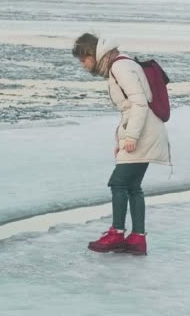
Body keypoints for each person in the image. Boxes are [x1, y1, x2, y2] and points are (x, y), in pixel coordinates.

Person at [72, 33, 171, 255]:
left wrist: (131, 138)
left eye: (82, 59)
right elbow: (131, 107)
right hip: (147, 130)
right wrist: (122, 138)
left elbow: (138, 104)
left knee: (118, 183)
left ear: (92, 54)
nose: (83, 65)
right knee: (132, 187)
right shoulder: (121, 64)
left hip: (144, 133)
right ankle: (137, 239)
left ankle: (117, 233)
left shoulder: (120, 67)